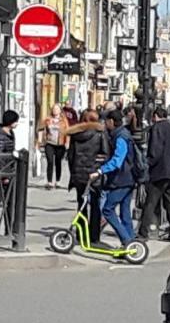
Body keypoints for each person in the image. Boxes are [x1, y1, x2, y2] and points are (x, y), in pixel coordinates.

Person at [90, 109, 136, 246]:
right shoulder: (122, 134)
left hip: (122, 180)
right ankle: (131, 244)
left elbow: (118, 161)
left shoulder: (121, 137)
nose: (105, 124)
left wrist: (100, 171)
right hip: (128, 178)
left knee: (108, 210)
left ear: (111, 122)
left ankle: (126, 240)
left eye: (106, 121)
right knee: (125, 213)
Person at [140, 106, 170, 241]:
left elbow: (155, 151)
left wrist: (148, 163)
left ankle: (143, 233)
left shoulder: (157, 128)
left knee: (150, 203)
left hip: (160, 172)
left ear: (155, 116)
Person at [66, 110, 109, 244]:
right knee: (95, 204)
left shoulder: (76, 134)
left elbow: (71, 156)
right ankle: (94, 235)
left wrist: (73, 172)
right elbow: (106, 153)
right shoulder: (100, 133)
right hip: (94, 173)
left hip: (79, 173)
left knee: (81, 203)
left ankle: (81, 233)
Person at [0, 110, 20, 232]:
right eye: (16, 121)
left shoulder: (10, 133)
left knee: (9, 201)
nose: (17, 123)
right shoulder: (1, 136)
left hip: (9, 171)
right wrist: (3, 174)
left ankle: (9, 227)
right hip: (3, 173)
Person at [38, 104, 69, 189]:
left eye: (57, 109)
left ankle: (58, 181)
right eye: (54, 109)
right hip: (49, 143)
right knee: (50, 162)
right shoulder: (47, 119)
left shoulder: (64, 120)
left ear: (60, 110)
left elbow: (68, 132)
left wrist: (67, 143)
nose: (55, 110)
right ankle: (49, 182)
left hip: (60, 144)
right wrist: (40, 140)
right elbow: (40, 129)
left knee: (58, 162)